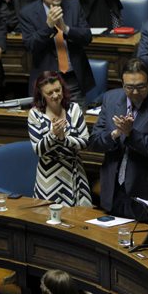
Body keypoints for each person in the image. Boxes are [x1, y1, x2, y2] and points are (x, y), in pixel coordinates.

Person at [89, 58, 148, 220]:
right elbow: (94, 141)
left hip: (146, 194)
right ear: (122, 84)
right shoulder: (110, 99)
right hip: (113, 191)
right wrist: (115, 134)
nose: (135, 92)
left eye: (140, 87)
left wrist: (131, 134)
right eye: (129, 87)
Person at [20, 0, 95, 109]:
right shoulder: (28, 13)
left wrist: (66, 29)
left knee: (78, 122)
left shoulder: (73, 5)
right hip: (47, 82)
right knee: (49, 125)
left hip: (73, 79)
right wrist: (48, 27)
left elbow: (87, 37)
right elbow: (31, 45)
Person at [28, 71, 92, 207]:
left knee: (79, 220)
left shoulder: (74, 109)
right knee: (47, 220)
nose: (56, 95)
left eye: (58, 90)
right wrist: (53, 135)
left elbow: (85, 142)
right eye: (49, 93)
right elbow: (38, 150)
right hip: (48, 178)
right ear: (41, 95)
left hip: (74, 173)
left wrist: (64, 139)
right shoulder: (35, 114)